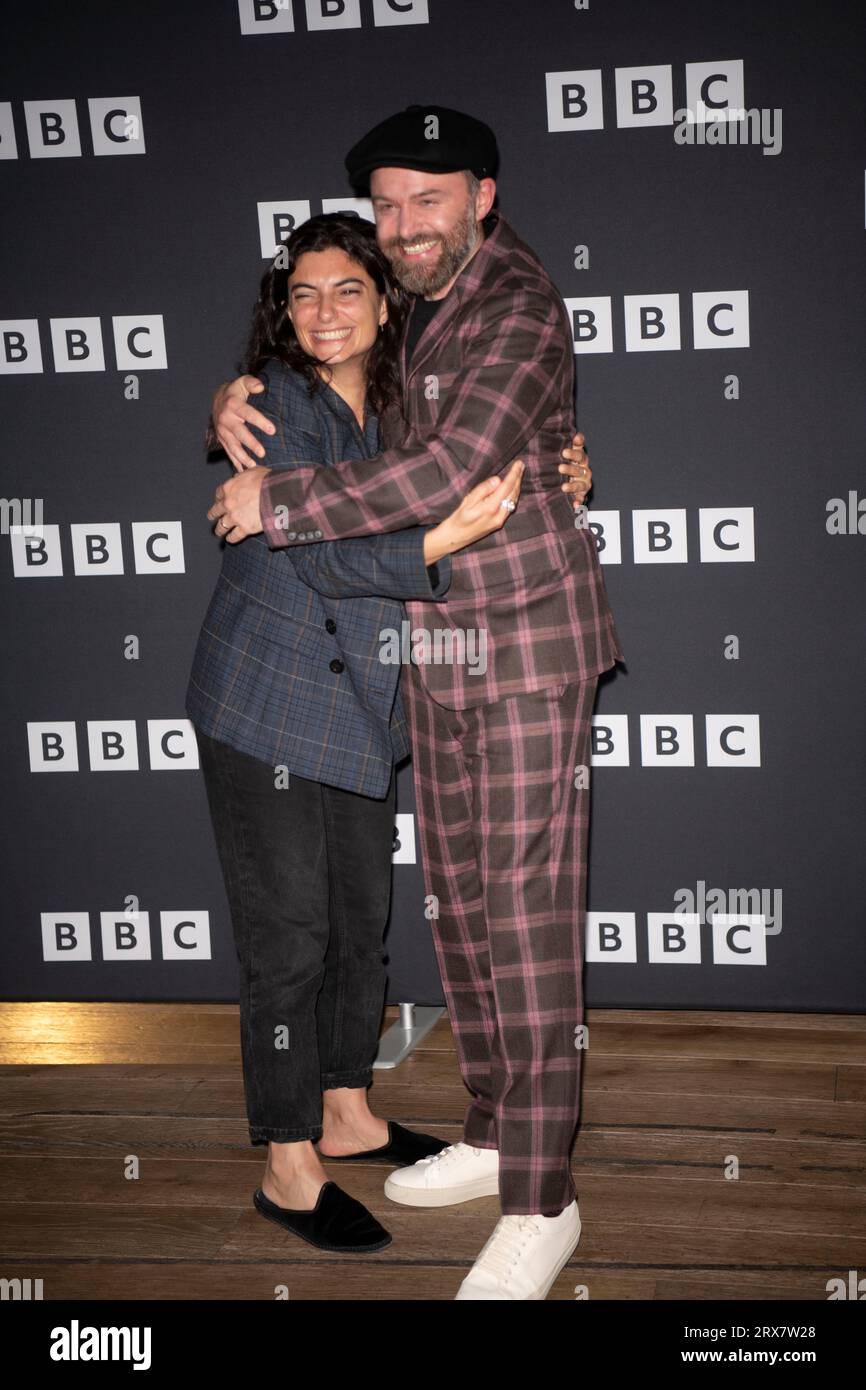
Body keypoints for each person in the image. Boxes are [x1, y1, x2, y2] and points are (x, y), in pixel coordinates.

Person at [207, 105, 624, 1300]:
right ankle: (496, 1131)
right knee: (463, 913)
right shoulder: (419, 306)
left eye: (425, 200)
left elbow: (446, 471)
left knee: (527, 927)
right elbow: (345, 410)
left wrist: (280, 504)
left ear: (481, 197)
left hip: (524, 644)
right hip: (429, 647)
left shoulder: (513, 302)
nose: (403, 226)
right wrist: (230, 401)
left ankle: (541, 1199)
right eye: (386, 205)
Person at [187, 211, 534, 1255]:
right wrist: (437, 537)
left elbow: (485, 448)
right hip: (266, 702)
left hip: (358, 707)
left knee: (355, 926)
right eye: (303, 292)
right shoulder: (272, 408)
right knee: (289, 941)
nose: (324, 310)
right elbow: (323, 558)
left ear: (387, 303)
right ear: (279, 312)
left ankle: (346, 1111)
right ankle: (286, 1164)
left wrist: (560, 467)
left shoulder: (408, 415)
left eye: (348, 289)